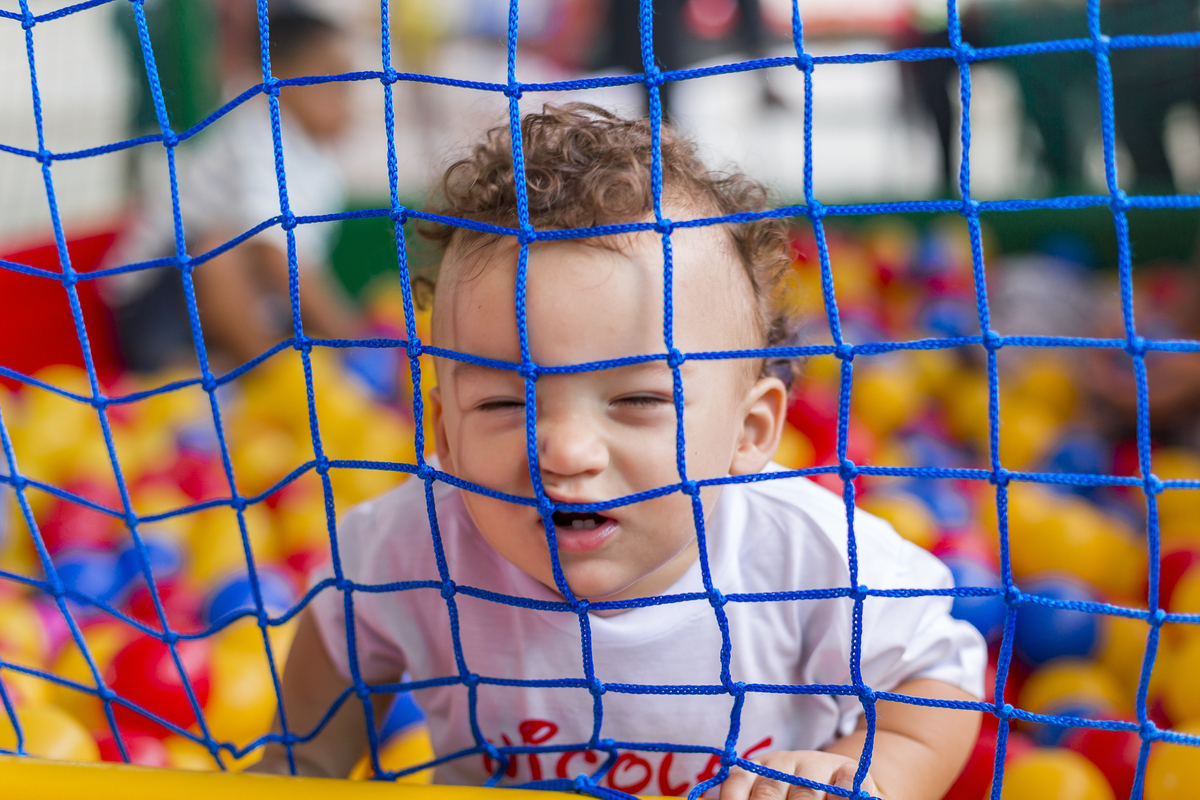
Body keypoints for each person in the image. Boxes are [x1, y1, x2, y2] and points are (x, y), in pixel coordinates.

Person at [251, 105, 986, 800]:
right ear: (444, 434)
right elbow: (304, 747)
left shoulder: (807, 557)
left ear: (750, 431)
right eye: (505, 403)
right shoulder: (408, 549)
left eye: (638, 401)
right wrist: (303, 763)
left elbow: (938, 676)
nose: (565, 452)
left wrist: (864, 770)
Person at [104, 7, 359, 373]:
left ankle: (231, 365)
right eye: (335, 81)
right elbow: (276, 253)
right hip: (155, 307)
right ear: (282, 79)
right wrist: (352, 337)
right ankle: (267, 372)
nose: (348, 100)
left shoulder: (317, 159)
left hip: (212, 314)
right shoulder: (257, 135)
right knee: (219, 247)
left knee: (252, 261)